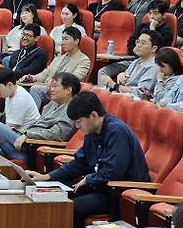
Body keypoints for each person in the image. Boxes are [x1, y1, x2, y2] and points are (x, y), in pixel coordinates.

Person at [26, 92, 149, 228]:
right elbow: (79, 163)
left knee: (72, 207)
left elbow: (113, 172)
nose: (77, 126)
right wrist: (47, 176)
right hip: (99, 187)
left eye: (79, 121)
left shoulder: (116, 132)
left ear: (94, 115)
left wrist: (88, 179)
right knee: (56, 196)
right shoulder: (92, 132)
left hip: (119, 192)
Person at [0, 72, 78, 161]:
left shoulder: (71, 110)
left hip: (31, 148)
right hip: (22, 141)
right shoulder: (53, 104)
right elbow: (38, 124)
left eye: (55, 86)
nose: (51, 89)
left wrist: (28, 134)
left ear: (68, 89)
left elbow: (56, 135)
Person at [20, 27, 90, 108]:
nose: (63, 42)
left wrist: (54, 83)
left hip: (63, 91)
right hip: (47, 87)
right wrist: (32, 78)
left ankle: (34, 118)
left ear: (76, 41)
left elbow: (74, 79)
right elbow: (45, 73)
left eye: (66, 39)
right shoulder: (58, 58)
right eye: (62, 39)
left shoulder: (84, 60)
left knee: (35, 89)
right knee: (22, 88)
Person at [99, 30, 162, 96]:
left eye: (143, 43)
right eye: (137, 42)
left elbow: (140, 93)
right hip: (122, 96)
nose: (138, 45)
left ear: (154, 48)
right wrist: (122, 74)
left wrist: (113, 85)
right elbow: (125, 79)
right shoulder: (137, 61)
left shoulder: (153, 67)